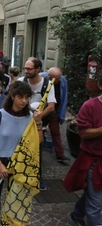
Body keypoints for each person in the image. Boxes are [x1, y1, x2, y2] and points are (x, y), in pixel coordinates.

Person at [0, 81, 42, 224]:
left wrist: (39, 122)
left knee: (17, 193)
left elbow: (39, 141)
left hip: (20, 161)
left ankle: (11, 219)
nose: (24, 101)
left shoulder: (30, 117)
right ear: (12, 96)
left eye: (26, 97)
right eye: (20, 97)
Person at [63, 73, 102, 226]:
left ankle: (76, 216)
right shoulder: (90, 106)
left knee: (92, 196)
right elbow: (84, 133)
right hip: (94, 162)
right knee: (96, 204)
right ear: (100, 86)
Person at [18, 57, 56, 190]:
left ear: (38, 69)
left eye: (29, 69)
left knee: (37, 151)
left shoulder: (48, 84)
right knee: (19, 148)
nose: (26, 71)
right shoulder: (20, 81)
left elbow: (51, 106)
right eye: (25, 68)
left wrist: (37, 118)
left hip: (38, 124)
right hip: (21, 122)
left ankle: (38, 177)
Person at [40, 67, 70, 162]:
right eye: (57, 78)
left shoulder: (63, 80)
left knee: (56, 132)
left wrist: (61, 112)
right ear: (49, 77)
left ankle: (60, 155)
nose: (60, 79)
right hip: (41, 110)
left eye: (60, 77)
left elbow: (64, 96)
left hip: (53, 110)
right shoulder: (41, 79)